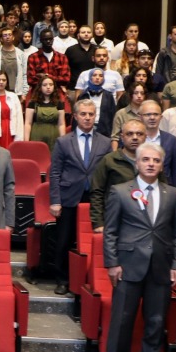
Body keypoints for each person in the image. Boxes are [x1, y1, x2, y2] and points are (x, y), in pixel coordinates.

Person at [102, 143, 176, 352]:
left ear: (161, 165)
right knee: (122, 318)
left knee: (156, 320)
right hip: (127, 265)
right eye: (145, 159)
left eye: (156, 160)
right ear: (136, 163)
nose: (150, 164)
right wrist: (112, 263)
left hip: (161, 266)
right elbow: (111, 232)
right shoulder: (119, 191)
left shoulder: (173, 194)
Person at [47, 98, 111, 293]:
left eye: (91, 114)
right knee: (64, 240)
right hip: (68, 198)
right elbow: (55, 172)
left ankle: (91, 279)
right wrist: (55, 200)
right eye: (83, 114)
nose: (87, 118)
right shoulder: (63, 141)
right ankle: (63, 280)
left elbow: (108, 174)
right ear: (75, 116)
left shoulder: (106, 142)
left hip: (95, 199)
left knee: (93, 240)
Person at [26, 75, 69, 150]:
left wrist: (63, 141)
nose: (48, 87)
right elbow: (28, 123)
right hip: (36, 136)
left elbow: (61, 124)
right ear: (40, 87)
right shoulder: (32, 103)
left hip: (54, 137)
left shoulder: (59, 103)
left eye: (51, 85)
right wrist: (26, 142)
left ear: (54, 87)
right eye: (45, 85)